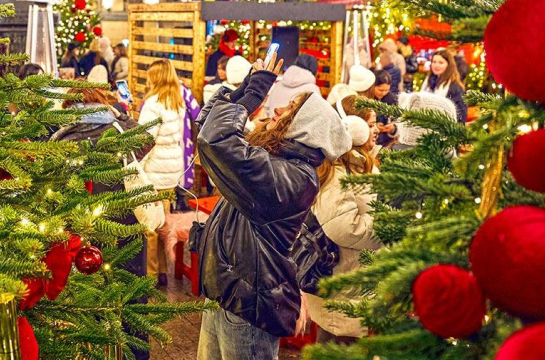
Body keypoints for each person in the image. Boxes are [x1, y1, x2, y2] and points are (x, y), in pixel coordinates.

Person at [195, 56, 352, 359]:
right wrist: (240, 92)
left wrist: (254, 95)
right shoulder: (274, 158)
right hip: (227, 292)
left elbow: (216, 139)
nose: (278, 108)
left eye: (290, 110)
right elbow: (207, 131)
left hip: (250, 306)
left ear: (305, 129)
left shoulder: (293, 177)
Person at [51, 88, 153, 360]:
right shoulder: (118, 131)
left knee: (92, 302)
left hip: (86, 233)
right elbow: (147, 138)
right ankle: (137, 355)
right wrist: (119, 114)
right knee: (132, 301)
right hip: (127, 226)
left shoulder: (65, 139)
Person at [304, 114, 382, 344]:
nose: (375, 130)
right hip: (343, 279)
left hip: (352, 278)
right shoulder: (338, 171)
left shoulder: (359, 165)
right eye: (369, 125)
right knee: (336, 342)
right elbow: (344, 227)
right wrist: (387, 228)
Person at [136, 59, 187, 283]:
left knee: (150, 224)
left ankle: (150, 273)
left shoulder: (153, 104)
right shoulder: (176, 101)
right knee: (164, 220)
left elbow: (144, 141)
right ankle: (165, 271)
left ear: (155, 77)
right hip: (172, 169)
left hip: (155, 170)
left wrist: (136, 168)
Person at [421, 48, 468, 123]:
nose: (436, 65)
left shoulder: (454, 86)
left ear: (448, 65)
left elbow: (461, 115)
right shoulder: (429, 82)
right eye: (434, 62)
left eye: (441, 63)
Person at [360, 70, 398, 146]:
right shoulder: (365, 99)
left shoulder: (392, 99)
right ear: (372, 86)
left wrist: (393, 128)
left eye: (387, 90)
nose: (383, 93)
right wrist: (373, 126)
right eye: (380, 90)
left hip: (387, 143)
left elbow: (398, 120)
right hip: (367, 142)